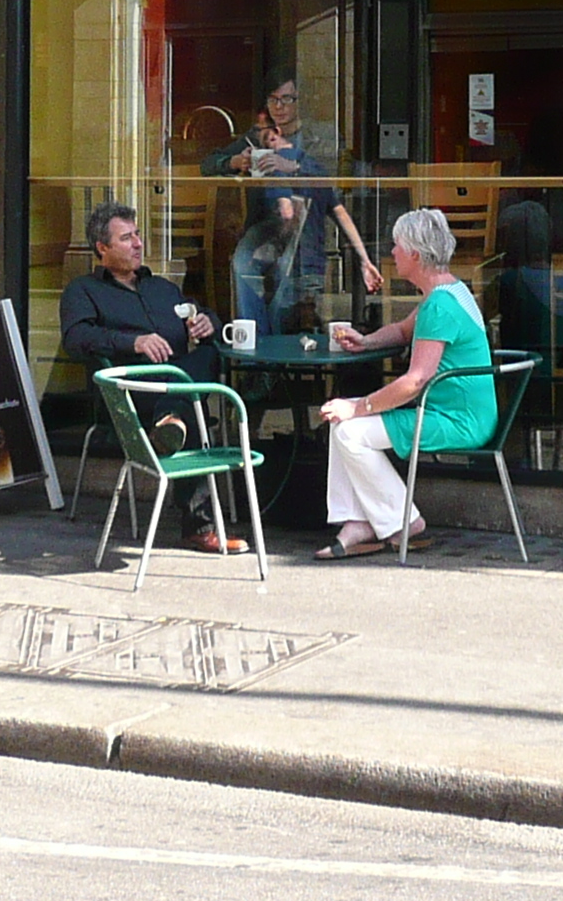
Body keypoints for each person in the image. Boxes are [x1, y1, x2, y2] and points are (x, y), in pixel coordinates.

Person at [58, 203, 246, 554]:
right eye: (126, 238)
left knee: (207, 355)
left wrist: (207, 322)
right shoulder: (83, 290)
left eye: (138, 235)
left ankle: (171, 418)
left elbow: (199, 316)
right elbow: (76, 339)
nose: (138, 244)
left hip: (176, 385)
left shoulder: (162, 288)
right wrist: (134, 342)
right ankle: (198, 527)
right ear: (102, 247)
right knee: (193, 406)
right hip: (131, 395)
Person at [314, 207, 495, 561]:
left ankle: (403, 524)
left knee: (349, 428)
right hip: (460, 413)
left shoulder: (439, 306)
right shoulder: (448, 291)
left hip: (457, 421)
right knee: (344, 425)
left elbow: (415, 381)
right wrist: (366, 342)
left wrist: (358, 405)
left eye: (397, 246)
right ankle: (358, 524)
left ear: (414, 253)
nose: (392, 253)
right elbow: (401, 331)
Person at [202, 73, 379, 330]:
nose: (279, 107)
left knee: (287, 275)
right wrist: (234, 162)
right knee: (242, 262)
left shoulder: (318, 139)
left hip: (305, 229)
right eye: (273, 100)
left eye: (286, 99)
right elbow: (207, 164)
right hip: (266, 225)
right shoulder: (256, 137)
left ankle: (272, 347)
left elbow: (333, 189)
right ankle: (255, 344)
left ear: (299, 102)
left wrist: (294, 167)